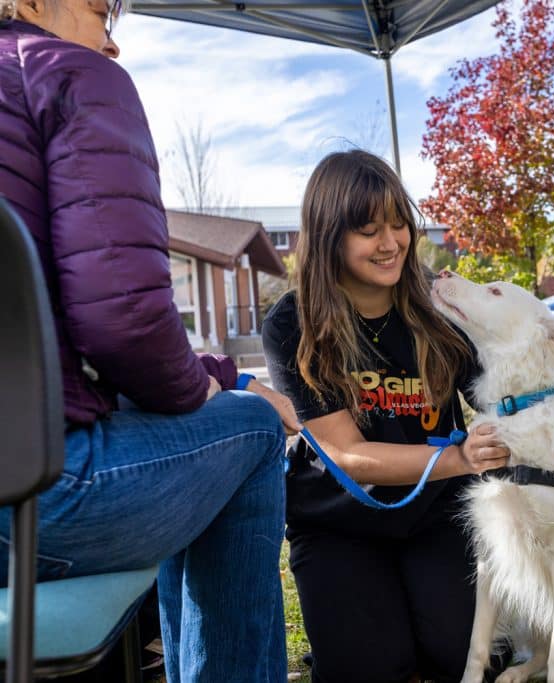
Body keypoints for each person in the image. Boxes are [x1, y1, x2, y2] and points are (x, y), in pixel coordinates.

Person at [263, 150, 554, 682]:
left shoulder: (436, 307)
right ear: (329, 237)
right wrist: (457, 458)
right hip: (340, 521)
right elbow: (347, 454)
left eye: (398, 224)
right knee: (368, 667)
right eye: (368, 230)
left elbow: (534, 400)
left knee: (458, 654)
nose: (390, 243)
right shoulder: (293, 324)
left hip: (434, 514)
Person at [0, 1, 302, 681]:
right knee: (249, 432)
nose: (111, 43)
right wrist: (220, 385)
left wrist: (213, 369)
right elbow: (124, 324)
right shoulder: (65, 74)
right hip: (28, 505)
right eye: (102, 11)